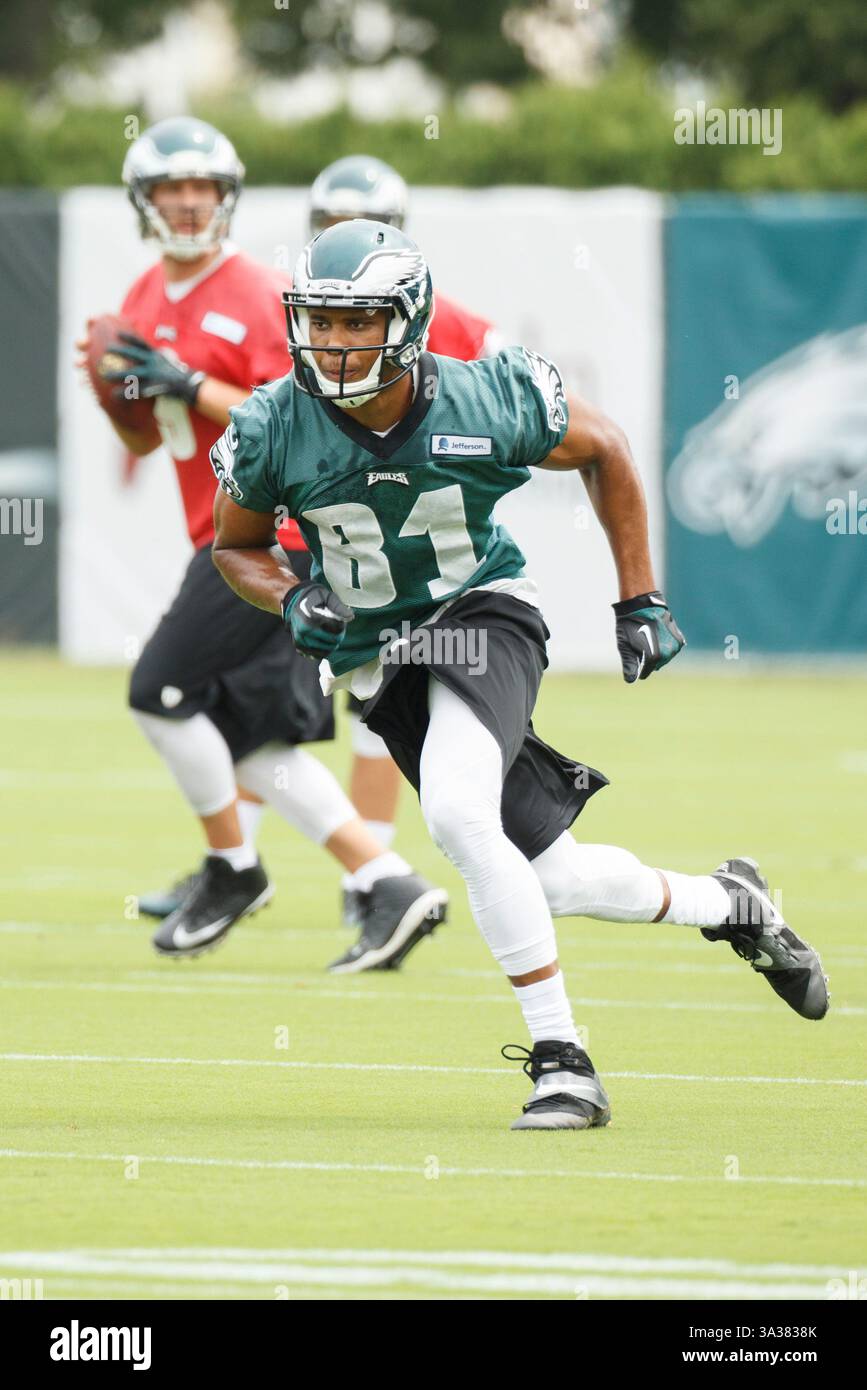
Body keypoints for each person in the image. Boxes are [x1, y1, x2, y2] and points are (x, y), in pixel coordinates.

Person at [207, 218, 830, 1131]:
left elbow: (607, 447)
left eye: (358, 321)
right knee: (552, 878)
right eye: (323, 321)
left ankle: (562, 1062)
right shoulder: (273, 424)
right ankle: (730, 903)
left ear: (409, 321)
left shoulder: (483, 399)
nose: (336, 344)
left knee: (459, 814)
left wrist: (640, 599)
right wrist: (294, 599)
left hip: (479, 615)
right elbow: (237, 546)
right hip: (377, 656)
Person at [77, 120, 446, 970]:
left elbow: (313, 405)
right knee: (253, 740)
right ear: (146, 202)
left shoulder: (256, 290)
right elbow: (147, 442)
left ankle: (232, 866)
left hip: (278, 536)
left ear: (227, 197)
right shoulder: (141, 298)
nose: (188, 203)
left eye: (202, 188)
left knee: (159, 692)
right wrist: (119, 402)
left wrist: (188, 382)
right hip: (225, 535)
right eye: (171, 190)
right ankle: (388, 882)